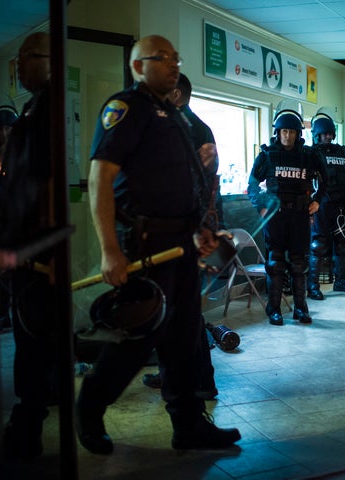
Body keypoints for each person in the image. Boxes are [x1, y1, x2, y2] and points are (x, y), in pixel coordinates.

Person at [81, 34, 240, 454]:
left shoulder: (176, 116)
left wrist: (201, 230)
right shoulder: (126, 109)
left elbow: (187, 183)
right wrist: (109, 250)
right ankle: (89, 407)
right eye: (163, 58)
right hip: (143, 245)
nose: (174, 64)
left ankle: (188, 425)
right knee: (137, 337)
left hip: (180, 245)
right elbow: (100, 179)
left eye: (176, 57)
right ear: (138, 66)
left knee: (184, 338)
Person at [0, 32, 58, 461]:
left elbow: (49, 185)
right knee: (27, 337)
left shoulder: (49, 113)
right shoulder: (31, 112)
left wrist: (41, 252)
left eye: (26, 57)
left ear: (49, 61)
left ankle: (28, 427)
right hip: (21, 248)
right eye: (16, 58)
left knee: (33, 341)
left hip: (38, 252)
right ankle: (28, 421)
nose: (17, 66)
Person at [141, 73, 220, 399]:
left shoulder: (190, 129)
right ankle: (179, 375)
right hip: (181, 231)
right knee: (177, 311)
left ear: (175, 95)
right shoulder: (180, 126)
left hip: (184, 233)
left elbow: (202, 186)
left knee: (181, 312)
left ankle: (199, 381)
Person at [247, 105, 328, 325]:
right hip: (275, 217)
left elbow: (326, 181)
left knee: (299, 263)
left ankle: (301, 309)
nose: (287, 136)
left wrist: (318, 201)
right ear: (277, 132)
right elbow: (252, 184)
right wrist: (260, 206)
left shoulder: (309, 155)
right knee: (276, 263)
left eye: (292, 132)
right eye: (284, 131)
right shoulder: (267, 155)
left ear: (298, 134)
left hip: (300, 215)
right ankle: (274, 309)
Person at [306, 110, 345, 300]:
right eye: (324, 134)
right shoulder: (312, 153)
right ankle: (312, 286)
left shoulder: (340, 152)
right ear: (317, 134)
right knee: (318, 245)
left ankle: (341, 281)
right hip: (322, 206)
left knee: (342, 244)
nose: (328, 137)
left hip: (342, 205)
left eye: (330, 133)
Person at [0, 103, 19, 332]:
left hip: (16, 219)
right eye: (1, 128)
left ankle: (10, 311)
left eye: (8, 128)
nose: (5, 133)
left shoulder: (20, 152)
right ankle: (2, 313)